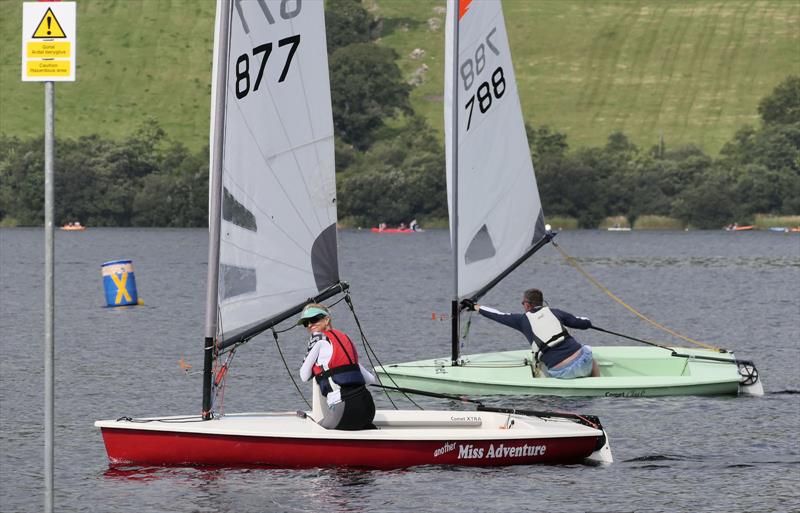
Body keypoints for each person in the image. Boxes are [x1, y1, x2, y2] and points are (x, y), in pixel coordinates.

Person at [460, 288, 599, 379]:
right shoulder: (555, 312)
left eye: (523, 303)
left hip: (562, 372)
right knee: (589, 354)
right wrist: (587, 322)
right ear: (541, 302)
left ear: (527, 304)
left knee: (543, 367)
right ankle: (597, 384)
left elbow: (497, 315)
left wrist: (475, 307)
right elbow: (584, 323)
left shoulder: (522, 319)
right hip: (584, 362)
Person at [298, 303, 377, 430]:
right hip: (367, 407)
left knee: (318, 429)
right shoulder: (345, 339)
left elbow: (304, 376)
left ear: (326, 319)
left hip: (344, 409)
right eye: (305, 323)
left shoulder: (318, 340)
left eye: (313, 320)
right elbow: (370, 380)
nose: (309, 325)